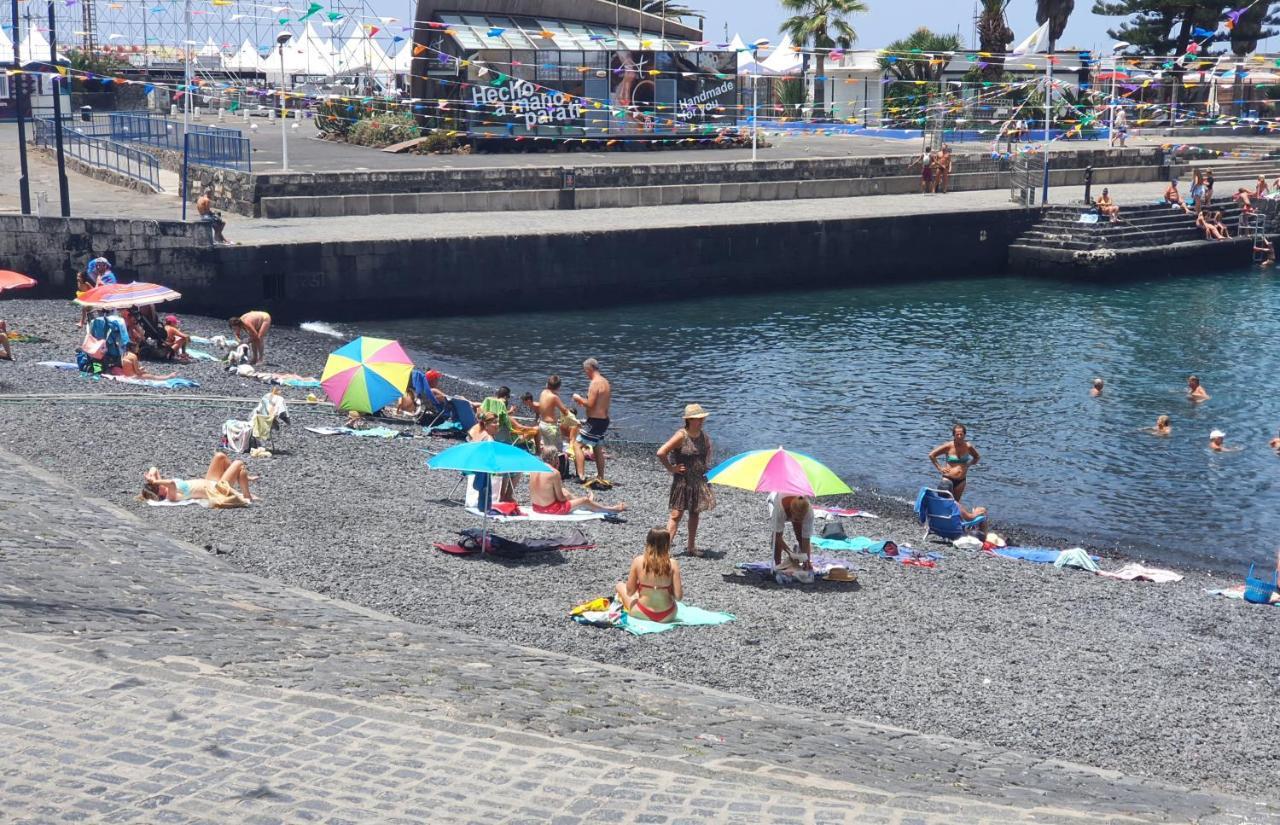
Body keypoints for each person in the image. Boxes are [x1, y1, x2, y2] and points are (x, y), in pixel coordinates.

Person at [657, 404, 716, 557]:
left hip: (698, 480)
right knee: (676, 514)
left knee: (695, 513)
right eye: (697, 419)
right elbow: (661, 452)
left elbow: (706, 457)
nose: (701, 421)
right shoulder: (681, 435)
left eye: (702, 418)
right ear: (689, 420)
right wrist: (671, 468)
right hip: (682, 481)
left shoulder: (704, 436)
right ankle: (665, 549)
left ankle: (691, 547)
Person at [529, 447, 626, 515]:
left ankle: (586, 504)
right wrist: (568, 498)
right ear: (555, 459)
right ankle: (611, 509)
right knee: (584, 500)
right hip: (549, 510)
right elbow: (561, 499)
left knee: (565, 491)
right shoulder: (554, 473)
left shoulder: (534, 469)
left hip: (536, 507)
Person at [615, 528, 683, 624]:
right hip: (668, 615)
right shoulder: (673, 564)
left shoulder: (638, 561)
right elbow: (678, 596)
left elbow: (630, 592)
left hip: (641, 612)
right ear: (667, 543)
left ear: (648, 542)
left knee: (619, 585)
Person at [139, 452, 256, 507]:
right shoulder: (171, 495)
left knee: (220, 456)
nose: (160, 485)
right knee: (238, 463)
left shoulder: (163, 487)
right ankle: (247, 495)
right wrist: (154, 482)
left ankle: (241, 477)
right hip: (217, 489)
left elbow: (154, 468)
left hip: (209, 481)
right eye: (157, 487)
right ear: (158, 493)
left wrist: (151, 477)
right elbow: (171, 483)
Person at [572, 357, 612, 485]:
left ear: (589, 369)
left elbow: (590, 404)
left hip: (595, 421)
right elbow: (597, 404)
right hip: (603, 420)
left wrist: (578, 398)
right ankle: (600, 476)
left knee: (577, 445)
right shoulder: (605, 382)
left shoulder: (595, 383)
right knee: (597, 448)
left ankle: (581, 476)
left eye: (585, 371)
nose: (586, 374)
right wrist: (583, 402)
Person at [929, 424, 980, 501]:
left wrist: (969, 464)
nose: (959, 436)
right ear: (954, 435)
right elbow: (932, 455)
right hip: (948, 478)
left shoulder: (968, 446)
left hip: (961, 481)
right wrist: (940, 468)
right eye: (957, 434)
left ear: (964, 435)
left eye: (961, 434)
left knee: (956, 502)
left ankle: (955, 513)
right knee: (944, 500)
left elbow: (977, 457)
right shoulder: (948, 446)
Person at [770, 493, 813, 572]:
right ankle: (778, 566)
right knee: (776, 538)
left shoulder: (809, 512)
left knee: (800, 535)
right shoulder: (779, 509)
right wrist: (790, 553)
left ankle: (805, 563)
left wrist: (807, 560)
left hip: (795, 510)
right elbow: (776, 536)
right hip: (776, 501)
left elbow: (806, 538)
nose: (800, 521)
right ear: (791, 511)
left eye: (802, 519)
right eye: (797, 519)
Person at [537, 375, 571, 453]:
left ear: (547, 384)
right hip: (551, 426)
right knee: (556, 450)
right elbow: (564, 411)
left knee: (547, 447)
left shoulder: (543, 392)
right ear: (558, 387)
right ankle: (555, 464)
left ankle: (547, 463)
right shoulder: (554, 397)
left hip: (542, 424)